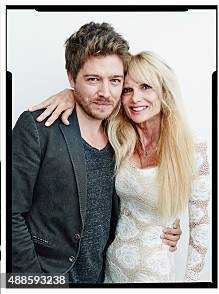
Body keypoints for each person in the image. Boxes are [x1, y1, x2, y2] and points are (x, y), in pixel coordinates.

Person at [12, 22, 181, 283]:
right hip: (48, 277)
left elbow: (135, 195)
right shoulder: (37, 127)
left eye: (115, 81)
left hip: (104, 277)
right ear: (71, 77)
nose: (105, 93)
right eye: (93, 79)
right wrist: (37, 283)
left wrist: (166, 221)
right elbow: (9, 212)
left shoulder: (122, 135)